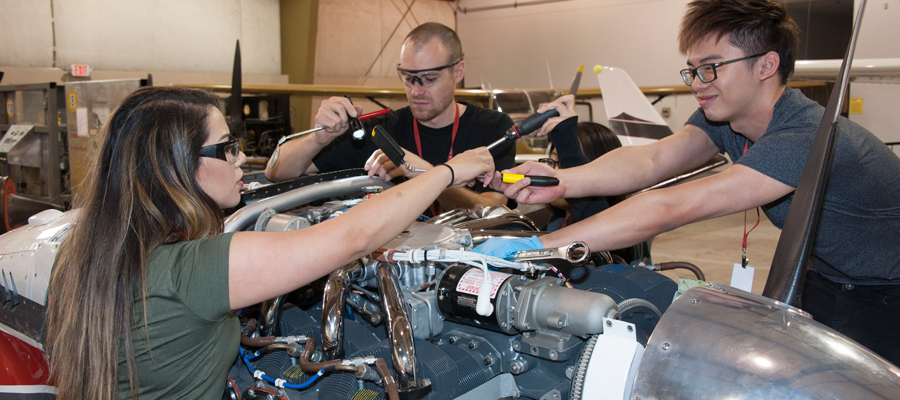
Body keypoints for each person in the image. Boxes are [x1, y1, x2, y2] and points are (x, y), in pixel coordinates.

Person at [480, 0, 900, 365]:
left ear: (766, 65)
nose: (699, 84)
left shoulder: (802, 136)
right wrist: (564, 181)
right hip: (825, 276)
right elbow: (655, 157)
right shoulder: (730, 119)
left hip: (885, 293)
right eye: (694, 70)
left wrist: (540, 247)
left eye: (712, 68)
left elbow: (672, 206)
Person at [42, 86, 495, 400]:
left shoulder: (82, 253)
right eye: (226, 148)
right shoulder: (193, 269)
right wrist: (447, 171)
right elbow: (353, 237)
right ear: (175, 165)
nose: (242, 158)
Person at [265, 22, 515, 215]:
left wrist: (421, 171)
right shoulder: (379, 131)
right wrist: (318, 138)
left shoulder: (493, 128)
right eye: (408, 78)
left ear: (457, 71)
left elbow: (491, 212)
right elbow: (276, 171)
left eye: (429, 79)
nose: (416, 91)